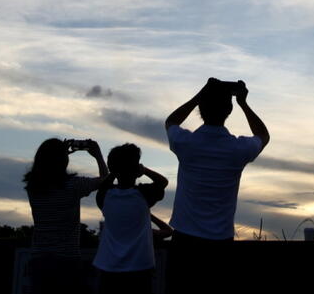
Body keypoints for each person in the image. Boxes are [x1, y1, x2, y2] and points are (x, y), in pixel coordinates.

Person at [164, 78, 269, 292]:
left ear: (202, 106)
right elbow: (263, 136)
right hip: (220, 243)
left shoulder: (185, 143)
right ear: (229, 109)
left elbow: (171, 122)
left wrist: (199, 95)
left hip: (184, 242)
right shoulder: (238, 149)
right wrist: (243, 103)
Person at [24, 138, 108, 294]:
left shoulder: (33, 187)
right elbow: (105, 180)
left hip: (38, 261)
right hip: (66, 260)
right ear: (63, 160)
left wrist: (61, 152)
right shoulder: (73, 185)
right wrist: (97, 155)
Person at [92, 144, 167, 294]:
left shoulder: (104, 196)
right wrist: (144, 170)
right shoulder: (143, 195)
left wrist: (113, 172)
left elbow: (104, 184)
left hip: (108, 267)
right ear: (136, 169)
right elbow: (162, 182)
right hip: (140, 267)